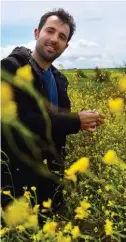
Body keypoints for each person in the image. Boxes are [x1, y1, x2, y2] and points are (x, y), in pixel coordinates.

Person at [1, 8, 104, 215]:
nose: (54, 39)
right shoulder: (10, 68)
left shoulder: (58, 79)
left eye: (62, 37)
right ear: (37, 33)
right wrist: (76, 121)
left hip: (51, 180)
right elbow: (20, 120)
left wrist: (84, 119)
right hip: (17, 185)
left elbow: (56, 121)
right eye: (50, 31)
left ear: (66, 46)